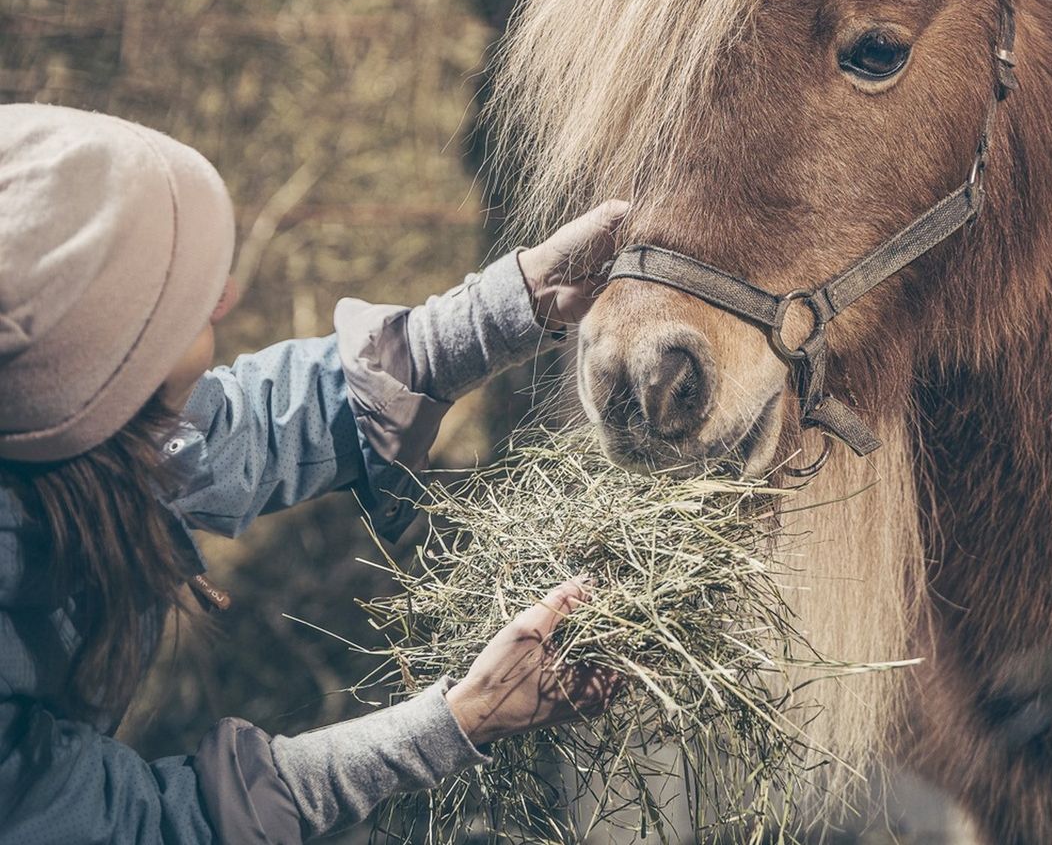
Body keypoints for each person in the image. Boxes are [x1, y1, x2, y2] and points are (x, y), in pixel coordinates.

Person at [0, 103, 631, 843]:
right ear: (104, 388)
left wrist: (509, 305)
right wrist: (457, 720)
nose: (228, 294)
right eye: (181, 310)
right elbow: (149, 828)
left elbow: (246, 429)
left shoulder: (65, 433)